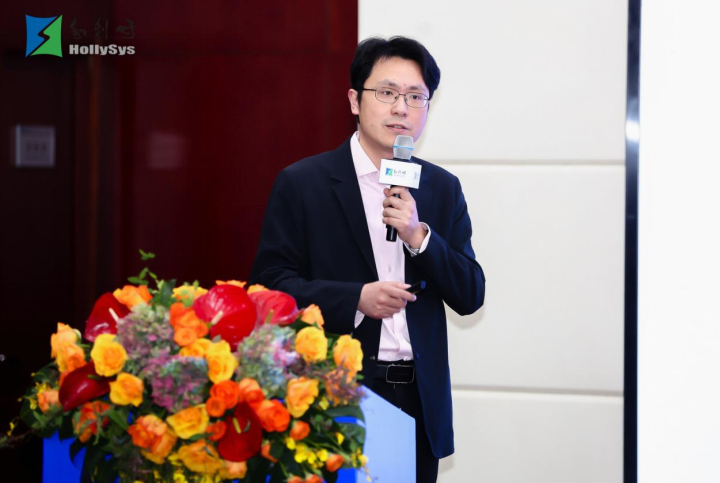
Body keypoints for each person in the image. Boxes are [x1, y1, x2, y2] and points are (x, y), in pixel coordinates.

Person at [250, 36, 485, 483]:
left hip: (419, 400)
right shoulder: (304, 183)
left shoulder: (441, 188)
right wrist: (355, 298)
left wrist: (419, 237)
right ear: (355, 101)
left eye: (415, 97)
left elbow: (471, 293)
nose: (401, 108)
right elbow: (269, 289)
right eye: (387, 92)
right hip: (335, 393)